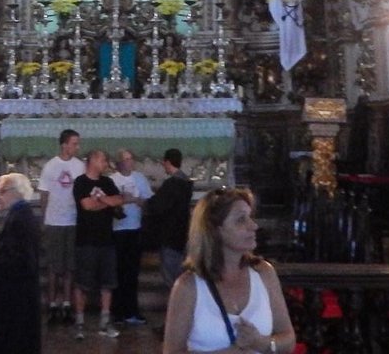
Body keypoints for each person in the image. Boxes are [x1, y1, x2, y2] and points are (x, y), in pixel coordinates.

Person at [162, 187, 295, 354]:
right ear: (215, 230)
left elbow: (289, 338)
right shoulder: (188, 287)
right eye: (241, 220)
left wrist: (262, 343)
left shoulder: (264, 273)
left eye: (250, 217)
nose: (253, 225)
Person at [0, 173, 42, 354]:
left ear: (15, 192)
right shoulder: (21, 215)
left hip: (16, 301)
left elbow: (21, 262)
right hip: (19, 297)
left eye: (1, 192)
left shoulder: (19, 219)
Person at [72, 148, 126, 339]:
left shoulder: (107, 182)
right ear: (93, 160)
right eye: (104, 160)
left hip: (106, 240)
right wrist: (106, 202)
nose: (106, 163)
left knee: (107, 283)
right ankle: (79, 322)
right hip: (86, 240)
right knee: (82, 283)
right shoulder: (80, 182)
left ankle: (105, 321)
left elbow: (119, 200)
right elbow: (86, 206)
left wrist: (101, 200)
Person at [38, 127, 84, 324]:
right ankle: (52, 304)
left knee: (70, 266)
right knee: (53, 266)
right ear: (64, 145)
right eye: (74, 143)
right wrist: (44, 218)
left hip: (72, 220)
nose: (77, 147)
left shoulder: (80, 166)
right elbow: (44, 194)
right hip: (54, 221)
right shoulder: (50, 166)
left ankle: (66, 303)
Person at [110, 148, 153, 325]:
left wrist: (136, 200)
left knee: (132, 271)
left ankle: (132, 310)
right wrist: (123, 200)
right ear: (119, 163)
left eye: (131, 158)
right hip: (118, 230)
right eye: (126, 159)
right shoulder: (112, 180)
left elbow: (148, 201)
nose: (130, 162)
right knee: (118, 271)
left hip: (135, 228)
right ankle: (118, 311)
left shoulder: (139, 178)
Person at [144, 148, 194, 289]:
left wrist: (143, 202)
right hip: (182, 231)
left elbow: (157, 207)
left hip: (169, 233)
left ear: (167, 162)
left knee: (171, 275)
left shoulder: (172, 184)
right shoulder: (186, 183)